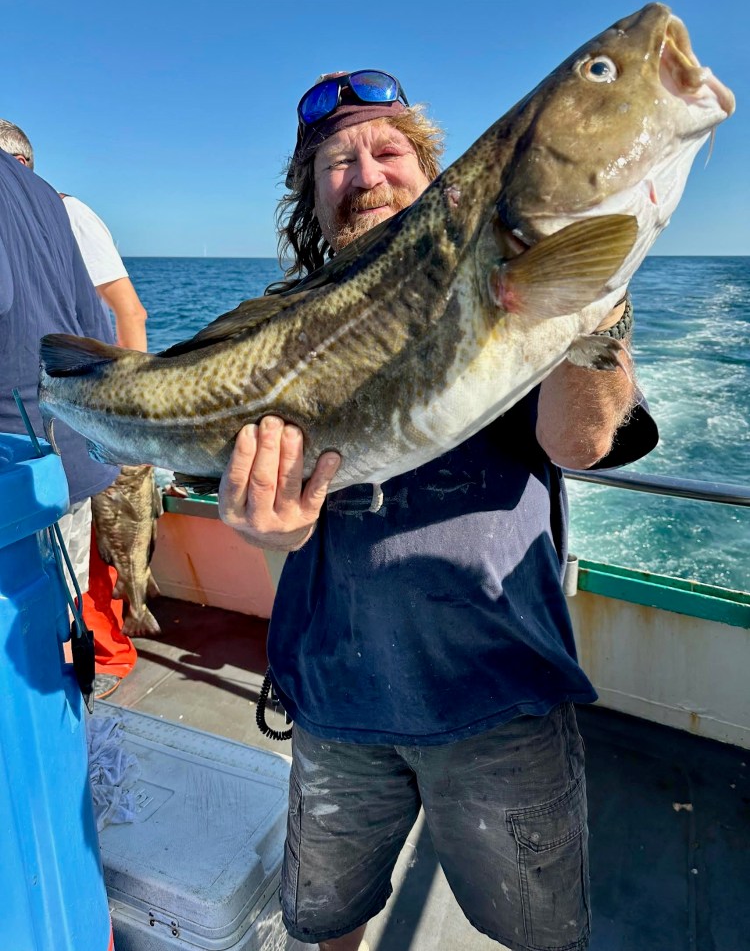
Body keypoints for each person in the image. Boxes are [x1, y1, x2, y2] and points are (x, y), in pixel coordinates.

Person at [218, 72, 659, 951]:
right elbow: (281, 529)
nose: (365, 173)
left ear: (435, 178)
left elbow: (579, 443)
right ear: (310, 196)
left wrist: (589, 308)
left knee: (538, 935)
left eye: (388, 151)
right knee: (329, 922)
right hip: (335, 704)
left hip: (503, 704)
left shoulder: (508, 299)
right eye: (336, 162)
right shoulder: (273, 337)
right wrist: (271, 534)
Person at [0, 119, 142, 698]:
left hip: (18, 473)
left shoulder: (60, 206)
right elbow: (93, 329)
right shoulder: (50, 203)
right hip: (67, 459)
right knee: (62, 630)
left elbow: (123, 317)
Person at [0, 120, 148, 353]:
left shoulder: (71, 213)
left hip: (77, 376)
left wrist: (129, 385)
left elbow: (130, 313)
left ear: (18, 164)